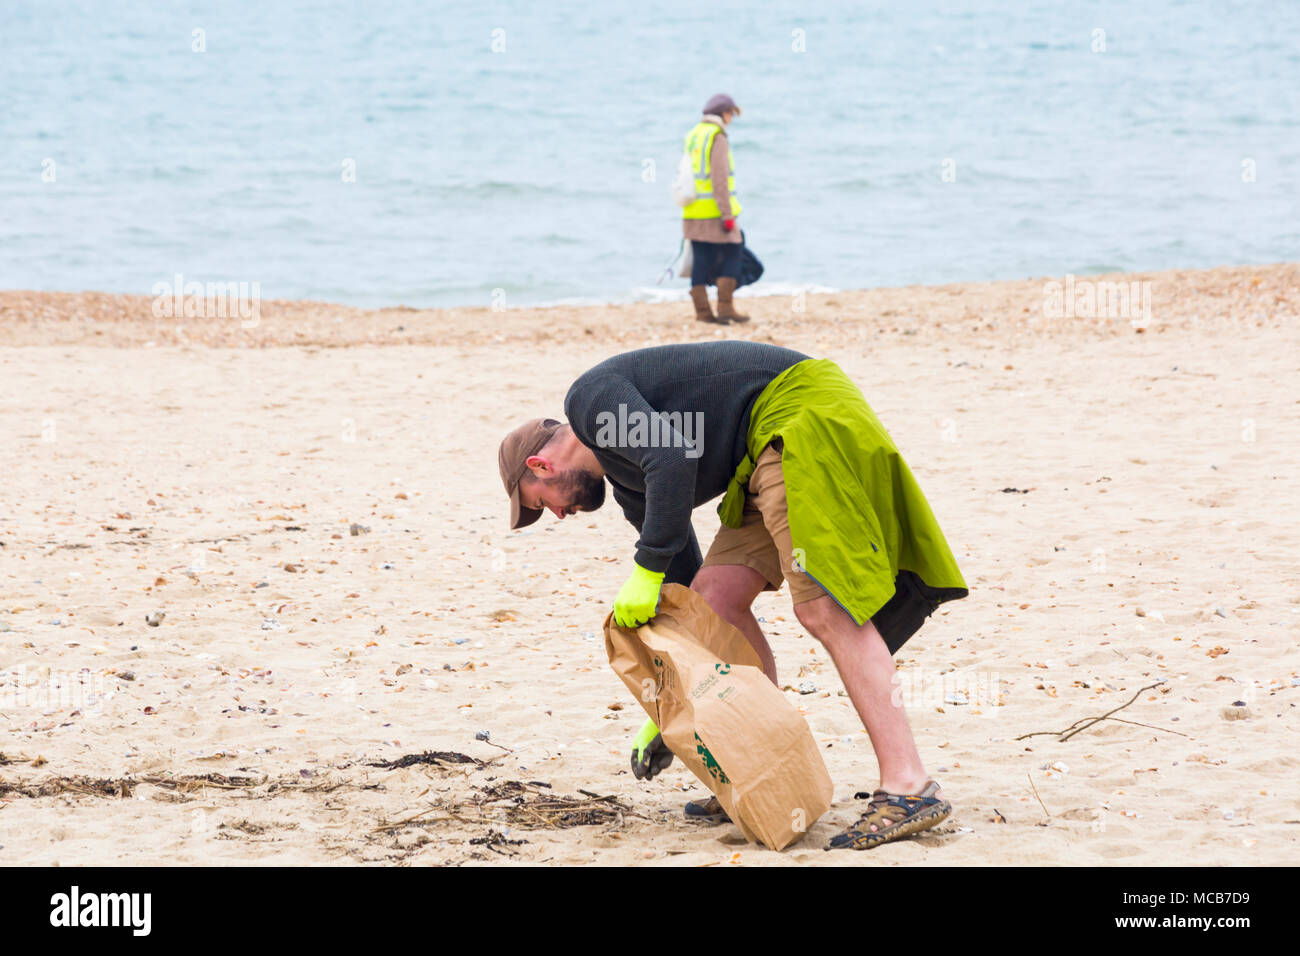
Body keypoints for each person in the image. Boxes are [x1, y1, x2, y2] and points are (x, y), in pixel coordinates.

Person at [496, 341, 969, 850]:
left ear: (540, 465)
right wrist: (668, 713)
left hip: (797, 414)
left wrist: (644, 567)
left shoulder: (589, 402)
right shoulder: (629, 482)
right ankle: (769, 767)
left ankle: (909, 785)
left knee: (821, 607)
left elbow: (672, 456)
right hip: (757, 454)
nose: (558, 516)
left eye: (540, 506)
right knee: (715, 599)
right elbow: (685, 594)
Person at [682, 94, 750, 325]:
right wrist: (727, 215)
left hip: (692, 209)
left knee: (701, 257)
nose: (731, 119)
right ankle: (725, 307)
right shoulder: (716, 136)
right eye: (731, 113)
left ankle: (702, 312)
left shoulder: (693, 135)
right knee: (734, 250)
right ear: (724, 113)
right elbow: (719, 179)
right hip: (713, 210)